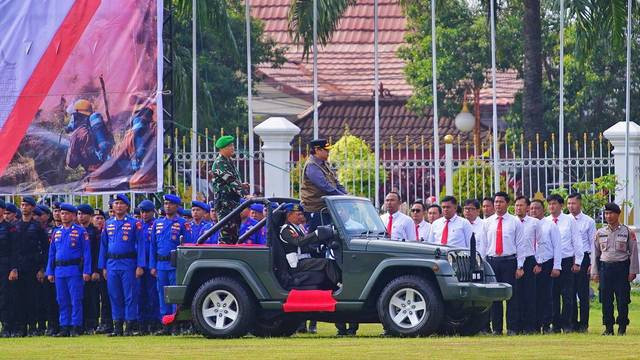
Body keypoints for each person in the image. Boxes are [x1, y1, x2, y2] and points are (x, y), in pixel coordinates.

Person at [98, 194, 145, 336]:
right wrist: (103, 267)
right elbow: (103, 246)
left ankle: (130, 326)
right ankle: (117, 326)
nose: (118, 206)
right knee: (114, 295)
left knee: (130, 295)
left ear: (127, 206)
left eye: (121, 203)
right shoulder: (108, 223)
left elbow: (141, 245)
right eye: (116, 203)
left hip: (128, 263)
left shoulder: (133, 223)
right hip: (112, 263)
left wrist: (140, 265)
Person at [481, 192, 525, 335]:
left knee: (512, 296)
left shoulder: (515, 221)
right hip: (492, 261)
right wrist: (482, 264)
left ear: (507, 203)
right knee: (494, 297)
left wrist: (520, 266)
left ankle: (512, 328)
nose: (497, 204)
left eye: (500, 202)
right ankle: (497, 329)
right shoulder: (487, 222)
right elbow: (483, 245)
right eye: (496, 202)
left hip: (509, 262)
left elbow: (520, 245)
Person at [45, 203, 91, 337]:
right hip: (59, 270)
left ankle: (76, 326)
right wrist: (50, 271)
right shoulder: (56, 231)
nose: (63, 216)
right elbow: (52, 253)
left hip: (74, 269)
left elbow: (86, 253)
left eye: (66, 213)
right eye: (61, 213)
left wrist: (86, 271)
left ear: (73, 215)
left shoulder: (80, 231)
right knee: (62, 299)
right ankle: (64, 326)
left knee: (75, 299)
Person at [591, 203, 638, 336]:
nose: (608, 216)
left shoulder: (627, 232)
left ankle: (622, 326)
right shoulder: (600, 232)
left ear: (618, 214)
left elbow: (633, 252)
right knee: (605, 299)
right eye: (606, 213)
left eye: (611, 213)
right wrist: (595, 272)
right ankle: (608, 327)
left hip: (622, 267)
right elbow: (595, 253)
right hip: (605, 268)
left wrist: (632, 271)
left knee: (622, 299)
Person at [149, 194, 191, 335]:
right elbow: (152, 246)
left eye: (170, 203)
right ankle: (165, 325)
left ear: (177, 206)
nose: (167, 206)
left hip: (175, 264)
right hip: (160, 264)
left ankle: (176, 325)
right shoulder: (157, 223)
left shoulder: (182, 223)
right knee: (162, 295)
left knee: (175, 296)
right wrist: (152, 265)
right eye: (165, 203)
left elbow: (187, 245)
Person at [11, 196, 49, 337]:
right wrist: (13, 268)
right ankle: (21, 327)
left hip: (33, 266)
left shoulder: (38, 226)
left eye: (27, 205)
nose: (24, 207)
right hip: (19, 266)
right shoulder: (15, 226)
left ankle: (33, 327)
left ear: (32, 208)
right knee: (19, 298)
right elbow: (13, 250)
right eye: (22, 205)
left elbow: (45, 249)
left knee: (33, 298)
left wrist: (42, 269)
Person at [279, 203, 340, 288]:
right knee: (327, 263)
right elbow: (299, 242)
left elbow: (303, 247)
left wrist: (317, 249)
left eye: (301, 214)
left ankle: (330, 286)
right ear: (289, 215)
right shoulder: (286, 230)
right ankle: (339, 285)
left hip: (303, 259)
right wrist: (316, 233)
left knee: (329, 261)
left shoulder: (298, 227)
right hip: (296, 263)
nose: (301, 216)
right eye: (298, 214)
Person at [546, 194, 583, 333]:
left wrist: (578, 262)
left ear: (561, 205)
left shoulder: (569, 220)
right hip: (551, 262)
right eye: (549, 204)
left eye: (554, 204)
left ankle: (567, 324)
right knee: (552, 295)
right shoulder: (545, 221)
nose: (551, 207)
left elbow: (577, 241)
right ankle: (555, 325)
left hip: (566, 261)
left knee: (568, 295)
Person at [529, 199, 562, 334]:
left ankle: (547, 324)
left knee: (547, 296)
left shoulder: (550, 225)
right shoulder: (527, 225)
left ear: (543, 210)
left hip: (547, 263)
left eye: (537, 208)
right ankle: (535, 325)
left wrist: (556, 266)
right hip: (531, 263)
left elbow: (557, 246)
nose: (533, 211)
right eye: (531, 208)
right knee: (533, 296)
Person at [300, 139, 347, 232]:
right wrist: (342, 197)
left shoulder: (324, 164)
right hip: (315, 209)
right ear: (317, 150)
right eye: (326, 150)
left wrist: (346, 195)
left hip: (326, 207)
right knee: (316, 238)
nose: (328, 152)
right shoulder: (312, 165)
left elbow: (335, 183)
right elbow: (325, 186)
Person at [567, 193, 596, 332]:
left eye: (573, 203)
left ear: (580, 204)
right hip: (568, 258)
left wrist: (592, 263)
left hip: (584, 258)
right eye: (569, 204)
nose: (571, 206)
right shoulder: (565, 220)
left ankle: (584, 324)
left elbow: (592, 244)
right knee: (569, 292)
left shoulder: (588, 221)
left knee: (583, 293)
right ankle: (572, 323)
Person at [211, 135, 248, 244]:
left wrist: (242, 185)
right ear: (222, 149)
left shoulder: (229, 162)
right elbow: (231, 181)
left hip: (233, 205)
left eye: (232, 145)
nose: (233, 148)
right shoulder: (219, 163)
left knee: (234, 236)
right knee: (226, 236)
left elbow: (234, 182)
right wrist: (245, 195)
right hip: (224, 206)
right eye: (230, 146)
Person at [513, 196, 538, 334]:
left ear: (527, 208)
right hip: (514, 260)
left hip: (529, 260)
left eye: (521, 205)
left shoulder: (534, 223)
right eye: (516, 205)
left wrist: (538, 262)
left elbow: (541, 242)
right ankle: (517, 326)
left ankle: (530, 326)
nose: (518, 208)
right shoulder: (511, 222)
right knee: (516, 295)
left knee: (530, 294)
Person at [137, 200, 160, 335]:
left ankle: (154, 322)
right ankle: (142, 324)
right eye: (142, 212)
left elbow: (154, 247)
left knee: (153, 295)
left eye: (147, 212)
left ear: (153, 212)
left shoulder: (156, 224)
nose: (144, 214)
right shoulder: (138, 225)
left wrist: (153, 265)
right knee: (140, 295)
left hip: (152, 265)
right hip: (140, 266)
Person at [77, 204, 101, 334]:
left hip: (91, 269)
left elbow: (97, 252)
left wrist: (96, 270)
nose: (81, 217)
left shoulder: (95, 232)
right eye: (79, 214)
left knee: (91, 297)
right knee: (78, 297)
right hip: (76, 269)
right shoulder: (74, 230)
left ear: (90, 216)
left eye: (84, 214)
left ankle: (92, 323)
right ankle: (80, 323)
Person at [92, 209, 112, 334]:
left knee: (106, 298)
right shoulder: (89, 234)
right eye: (96, 218)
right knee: (93, 299)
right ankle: (94, 323)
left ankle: (107, 322)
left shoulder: (106, 233)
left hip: (106, 269)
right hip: (93, 270)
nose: (99, 220)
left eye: (101, 218)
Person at [0, 200, 17, 338]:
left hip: (5, 266)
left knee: (5, 297)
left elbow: (14, 250)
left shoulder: (9, 228)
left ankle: (7, 326)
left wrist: (13, 268)